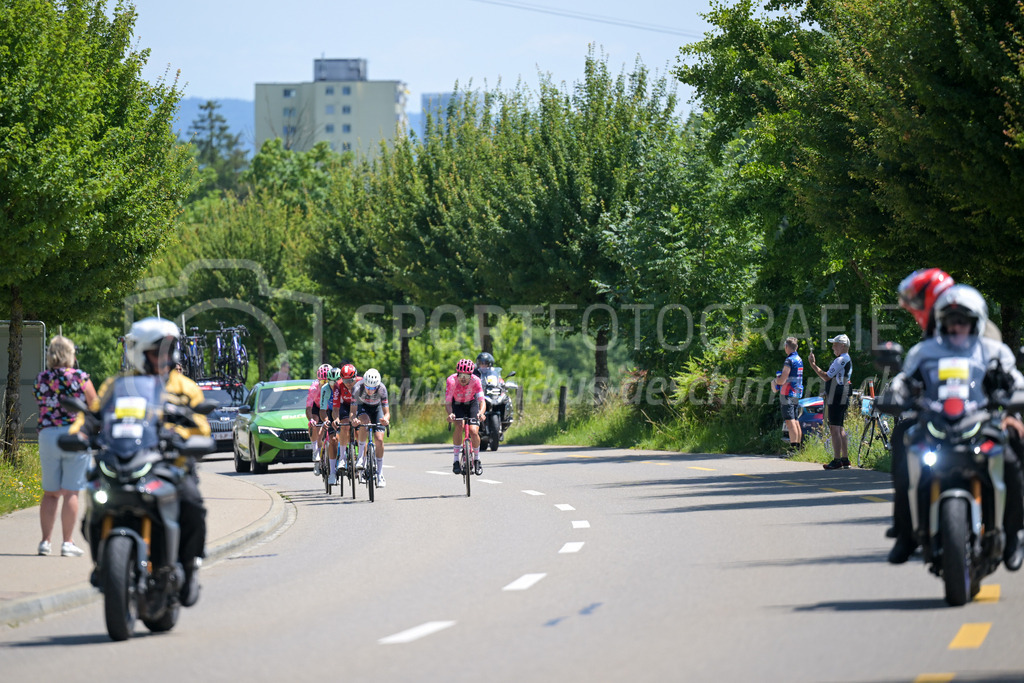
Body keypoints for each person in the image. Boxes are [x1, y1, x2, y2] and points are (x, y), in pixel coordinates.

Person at [884, 285, 1024, 569]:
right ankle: (907, 532)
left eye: (962, 320)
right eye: (950, 320)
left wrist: (1016, 397)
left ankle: (1013, 535)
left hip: (981, 420)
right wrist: (894, 395)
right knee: (903, 440)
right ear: (941, 321)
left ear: (976, 321)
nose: (956, 326)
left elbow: (1015, 379)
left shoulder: (994, 350)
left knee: (1012, 453)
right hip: (934, 420)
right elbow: (902, 380)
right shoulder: (924, 351)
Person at [74, 317, 210, 606]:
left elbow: (201, 426)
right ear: (139, 352)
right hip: (123, 459)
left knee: (192, 504)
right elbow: (93, 415)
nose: (166, 357)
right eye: (157, 351)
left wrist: (181, 434)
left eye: (169, 350)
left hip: (169, 465)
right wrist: (79, 433)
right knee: (91, 513)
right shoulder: (116, 385)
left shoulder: (185, 387)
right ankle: (104, 566)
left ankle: (187, 567)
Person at [33, 336, 98, 557]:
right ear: (70, 354)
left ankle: (45, 542)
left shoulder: (41, 378)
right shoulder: (80, 377)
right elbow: (95, 406)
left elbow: (40, 402)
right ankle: (67, 543)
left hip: (48, 435)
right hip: (74, 435)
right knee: (71, 491)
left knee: (50, 493)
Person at [809, 334, 853, 469]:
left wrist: (813, 365)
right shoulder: (847, 358)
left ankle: (837, 460)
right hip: (843, 392)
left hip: (837, 394)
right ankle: (845, 459)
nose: (833, 346)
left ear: (843, 345)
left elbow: (826, 376)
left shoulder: (840, 359)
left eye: (835, 344)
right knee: (840, 427)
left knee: (834, 428)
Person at [348, 368, 391, 487]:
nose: (370, 390)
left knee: (379, 439)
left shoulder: (382, 389)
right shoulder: (357, 388)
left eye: (373, 388)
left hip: (377, 409)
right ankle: (361, 456)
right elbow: (352, 413)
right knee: (364, 422)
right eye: (368, 387)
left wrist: (386, 419)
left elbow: (387, 412)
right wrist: (354, 420)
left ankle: (380, 473)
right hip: (363, 407)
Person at [446, 358, 486, 475]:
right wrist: (450, 414)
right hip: (457, 404)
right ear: (457, 374)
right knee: (459, 425)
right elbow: (448, 403)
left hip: (471, 403)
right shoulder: (451, 381)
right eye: (461, 375)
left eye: (466, 376)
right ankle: (456, 461)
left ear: (471, 375)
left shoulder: (476, 381)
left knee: (474, 431)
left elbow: (482, 401)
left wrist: (481, 413)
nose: (463, 378)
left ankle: (477, 459)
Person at [772, 337, 804, 449]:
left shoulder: (789, 360)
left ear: (786, 347)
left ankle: (793, 448)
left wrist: (775, 381)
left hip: (787, 392)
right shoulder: (799, 359)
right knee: (795, 420)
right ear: (797, 347)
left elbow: (782, 379)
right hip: (796, 392)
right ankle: (798, 447)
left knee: (790, 422)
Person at [306, 363, 332, 476]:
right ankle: (315, 450)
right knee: (314, 423)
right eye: (322, 382)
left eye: (327, 382)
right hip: (317, 407)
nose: (324, 384)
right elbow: (308, 408)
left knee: (324, 432)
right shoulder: (314, 388)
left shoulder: (335, 387)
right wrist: (311, 419)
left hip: (329, 408)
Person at [319, 366, 342, 485]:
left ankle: (354, 459)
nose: (333, 384)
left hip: (344, 411)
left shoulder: (344, 387)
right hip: (332, 412)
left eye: (336, 381)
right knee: (333, 439)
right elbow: (322, 410)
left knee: (353, 434)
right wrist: (326, 420)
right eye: (331, 381)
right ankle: (332, 472)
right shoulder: (325, 389)